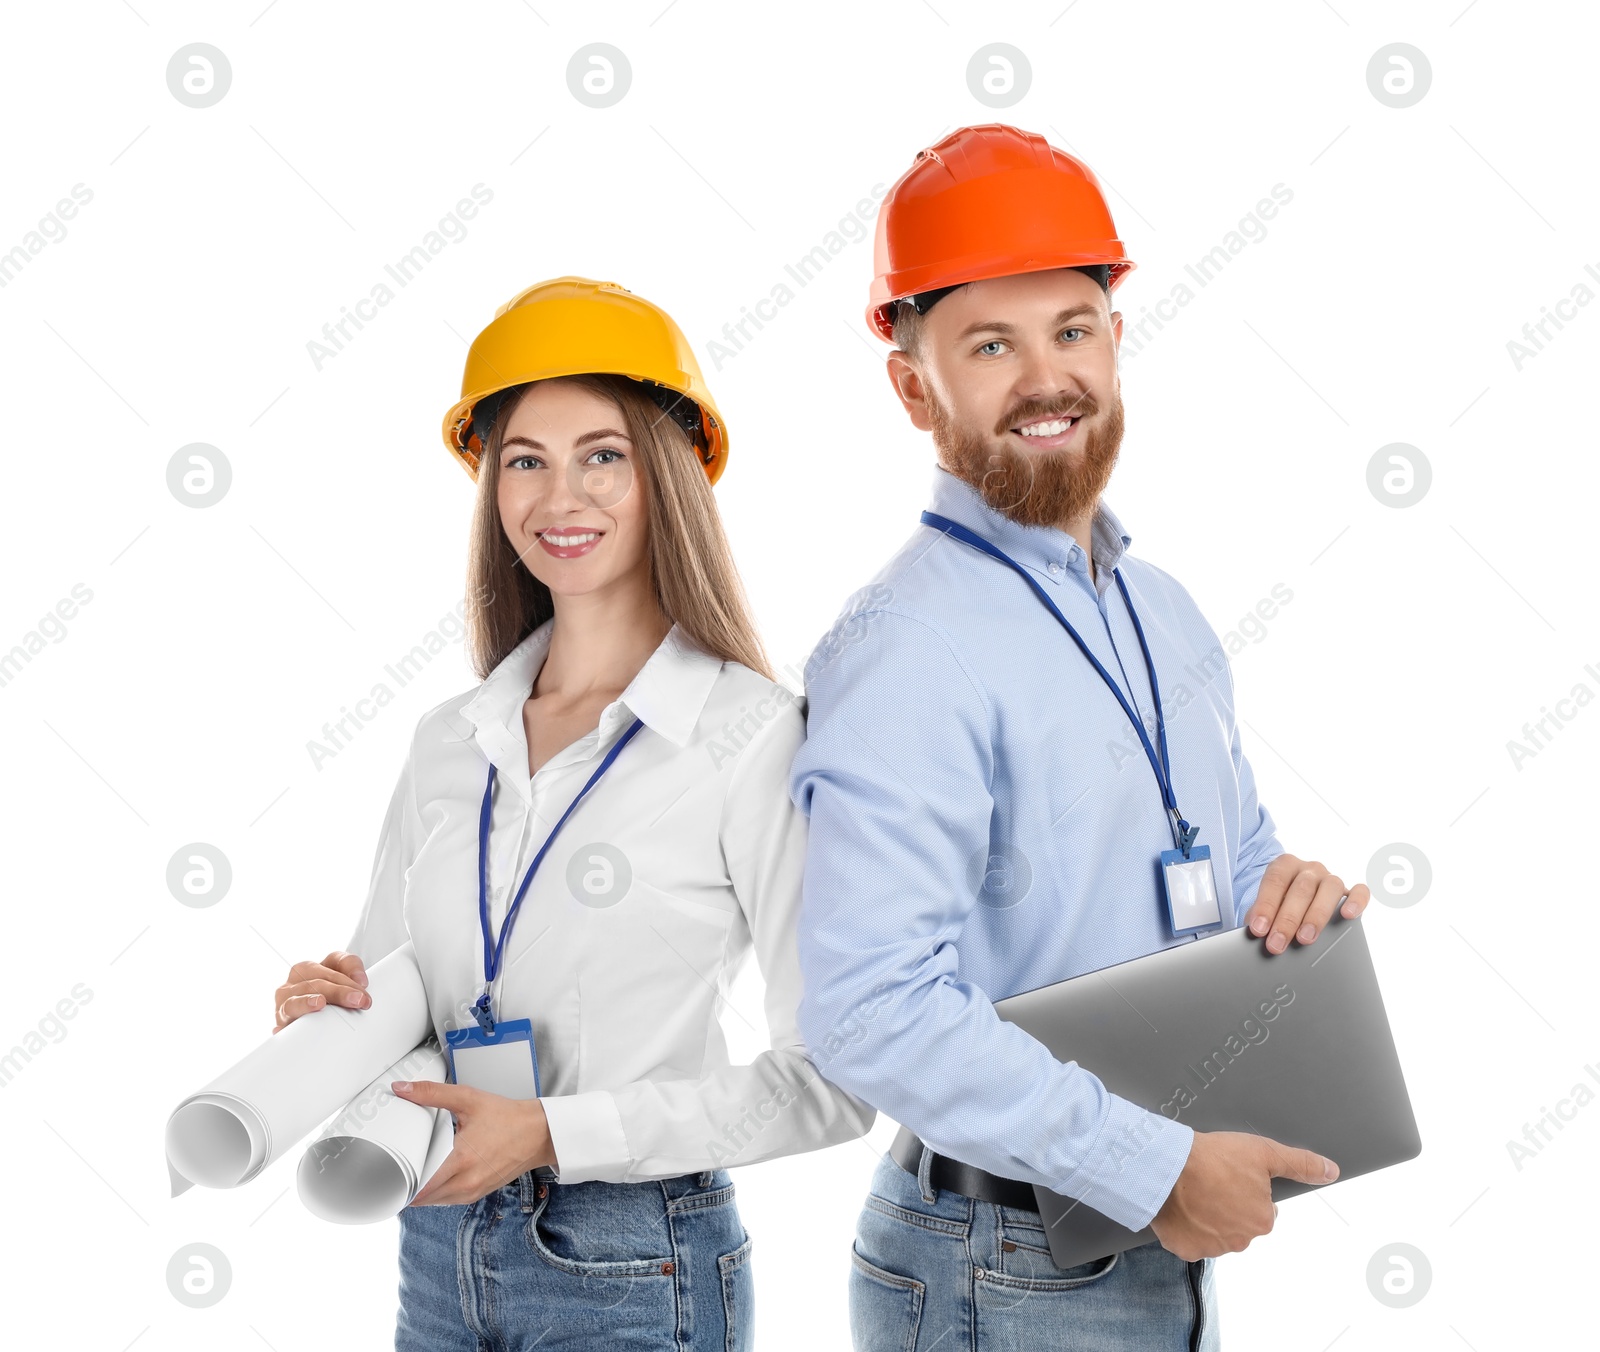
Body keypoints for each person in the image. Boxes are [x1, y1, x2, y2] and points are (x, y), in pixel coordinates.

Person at [788, 126, 1371, 1350]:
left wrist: (1285, 892)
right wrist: (1150, 1164)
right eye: (988, 343)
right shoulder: (901, 646)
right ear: (912, 385)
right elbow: (867, 1007)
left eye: (1071, 327)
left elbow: (1227, 846)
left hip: (1155, 1226)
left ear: (1115, 340)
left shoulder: (1160, 608)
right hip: (999, 1262)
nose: (1045, 376)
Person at [272, 276, 874, 1350]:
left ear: (669, 474)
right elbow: (398, 1012)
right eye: (524, 460)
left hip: (630, 1259)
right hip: (437, 1238)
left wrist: (556, 1130)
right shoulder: (449, 738)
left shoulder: (752, 733)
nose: (562, 496)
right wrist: (328, 1019)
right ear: (492, 489)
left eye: (603, 454)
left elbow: (833, 1082)